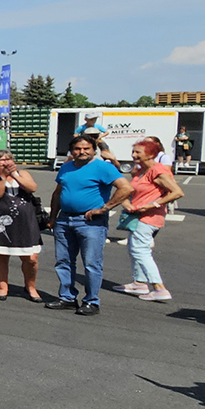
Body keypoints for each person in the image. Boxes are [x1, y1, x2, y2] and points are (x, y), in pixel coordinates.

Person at [46, 135, 131, 315]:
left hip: (90, 223)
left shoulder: (103, 167)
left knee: (92, 263)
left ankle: (91, 301)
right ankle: (67, 297)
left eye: (86, 148)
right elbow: (57, 194)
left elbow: (126, 188)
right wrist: (53, 217)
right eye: (77, 149)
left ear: (94, 150)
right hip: (64, 220)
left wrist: (105, 208)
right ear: (71, 151)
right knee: (64, 261)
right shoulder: (67, 167)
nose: (82, 152)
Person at [118, 138, 183, 302]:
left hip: (149, 217)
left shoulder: (157, 170)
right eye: (133, 152)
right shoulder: (141, 170)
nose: (134, 155)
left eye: (138, 152)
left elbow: (176, 192)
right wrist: (128, 203)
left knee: (141, 251)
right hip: (137, 216)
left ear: (151, 155)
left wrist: (152, 204)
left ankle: (159, 287)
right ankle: (139, 282)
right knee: (134, 249)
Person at [0, 150, 43, 302]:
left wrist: (14, 175)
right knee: (1, 255)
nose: (5, 162)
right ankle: (3, 287)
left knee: (31, 258)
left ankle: (30, 286)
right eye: (1, 160)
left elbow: (32, 188)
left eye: (8, 159)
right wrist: (2, 177)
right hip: (1, 221)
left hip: (25, 221)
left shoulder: (22, 174)